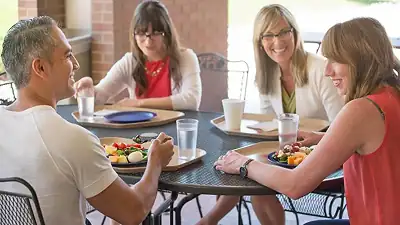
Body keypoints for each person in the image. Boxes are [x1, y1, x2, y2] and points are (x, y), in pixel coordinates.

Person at [215, 17, 400, 225]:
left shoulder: (361, 109)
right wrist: (325, 138)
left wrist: (243, 164)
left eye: (335, 60)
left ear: (360, 59)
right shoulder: (392, 94)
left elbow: (295, 185)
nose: (327, 71)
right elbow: (382, 146)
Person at [0, 16, 174, 225]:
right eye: (68, 55)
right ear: (40, 68)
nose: (76, 63)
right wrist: (155, 162)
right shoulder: (72, 139)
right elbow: (134, 212)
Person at [197, 4, 344, 225]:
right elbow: (268, 124)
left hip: (322, 158)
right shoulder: (268, 73)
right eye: (269, 35)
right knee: (249, 169)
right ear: (260, 41)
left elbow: (341, 127)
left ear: (294, 33)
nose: (277, 41)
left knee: (252, 170)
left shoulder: (321, 70)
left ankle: (210, 219)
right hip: (287, 155)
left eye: (284, 32)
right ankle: (210, 220)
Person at [74, 0, 202, 111]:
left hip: (174, 130)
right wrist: (88, 89)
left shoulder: (185, 58)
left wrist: (139, 103)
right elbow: (101, 96)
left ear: (167, 33)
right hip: (139, 135)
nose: (148, 41)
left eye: (155, 33)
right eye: (141, 33)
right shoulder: (130, 61)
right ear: (133, 34)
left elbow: (191, 100)